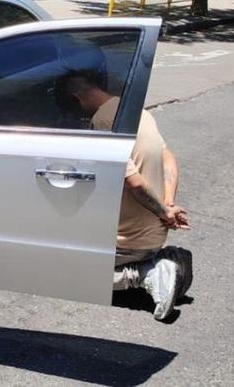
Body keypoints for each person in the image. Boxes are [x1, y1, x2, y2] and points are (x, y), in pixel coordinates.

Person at [62, 70, 191, 321]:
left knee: (61, 270)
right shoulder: (139, 113)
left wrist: (164, 212)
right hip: (152, 231)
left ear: (78, 99)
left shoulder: (102, 123)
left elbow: (136, 184)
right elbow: (169, 159)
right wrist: (168, 207)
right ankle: (160, 259)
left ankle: (147, 272)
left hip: (128, 240)